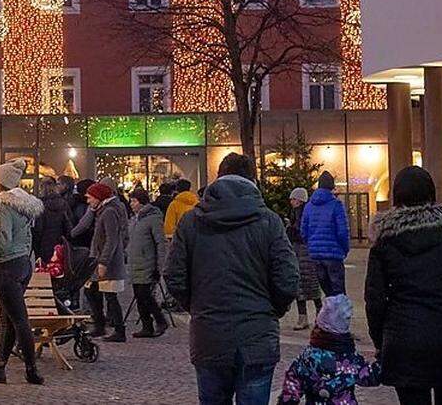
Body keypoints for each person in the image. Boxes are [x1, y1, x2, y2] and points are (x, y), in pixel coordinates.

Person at [166, 152, 299, 405]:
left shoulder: (191, 222)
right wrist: (272, 310)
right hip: (257, 334)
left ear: (218, 177)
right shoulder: (269, 222)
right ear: (252, 179)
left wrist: (197, 307)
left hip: (209, 334)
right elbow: (288, 280)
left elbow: (174, 276)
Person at [365, 165, 442, 405]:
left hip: (403, 339)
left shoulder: (385, 238)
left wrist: (380, 340)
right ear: (432, 194)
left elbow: (374, 299)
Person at [0, 159, 46, 386]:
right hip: (22, 264)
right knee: (9, 320)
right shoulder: (23, 206)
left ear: (3, 182)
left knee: (17, 320)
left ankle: (31, 369)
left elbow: (2, 241)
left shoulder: (4, 207)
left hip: (5, 266)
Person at [278, 294, 382, 405]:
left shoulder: (308, 358)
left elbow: (291, 388)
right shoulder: (351, 359)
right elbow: (370, 376)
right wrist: (384, 357)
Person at [85, 181, 130, 342]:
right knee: (91, 291)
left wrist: (103, 261)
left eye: (90, 197)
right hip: (101, 260)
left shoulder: (109, 212)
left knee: (110, 295)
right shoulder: (104, 210)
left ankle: (118, 329)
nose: (88, 201)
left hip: (107, 262)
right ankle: (100, 325)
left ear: (98, 197)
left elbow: (112, 239)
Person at [127, 187, 169, 339]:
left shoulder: (153, 219)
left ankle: (160, 320)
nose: (131, 204)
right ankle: (147, 326)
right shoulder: (135, 219)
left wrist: (159, 265)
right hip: (135, 262)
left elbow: (160, 243)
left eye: (133, 201)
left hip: (147, 263)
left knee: (145, 294)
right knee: (139, 295)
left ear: (141, 202)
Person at [301, 171, 350, 297]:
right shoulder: (336, 205)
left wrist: (312, 246)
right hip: (334, 254)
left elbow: (304, 231)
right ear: (332, 186)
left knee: (327, 293)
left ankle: (330, 315)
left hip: (316, 255)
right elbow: (342, 232)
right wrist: (344, 249)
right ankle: (339, 316)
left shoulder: (309, 206)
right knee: (338, 293)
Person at [287, 187, 323, 331]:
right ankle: (307, 317)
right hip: (299, 252)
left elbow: (301, 232)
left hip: (305, 252)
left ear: (300, 200)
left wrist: (290, 229)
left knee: (309, 284)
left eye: (294, 199)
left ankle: (316, 316)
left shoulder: (304, 213)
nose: (291, 201)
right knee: (302, 286)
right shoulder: (295, 213)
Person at [33, 176, 75, 264]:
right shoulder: (63, 203)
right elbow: (69, 226)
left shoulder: (40, 206)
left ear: (41, 188)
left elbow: (38, 229)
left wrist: (35, 249)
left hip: (43, 246)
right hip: (59, 244)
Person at [69, 178, 97, 248]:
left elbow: (84, 224)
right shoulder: (90, 205)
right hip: (85, 240)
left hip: (80, 240)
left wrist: (71, 234)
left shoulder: (76, 203)